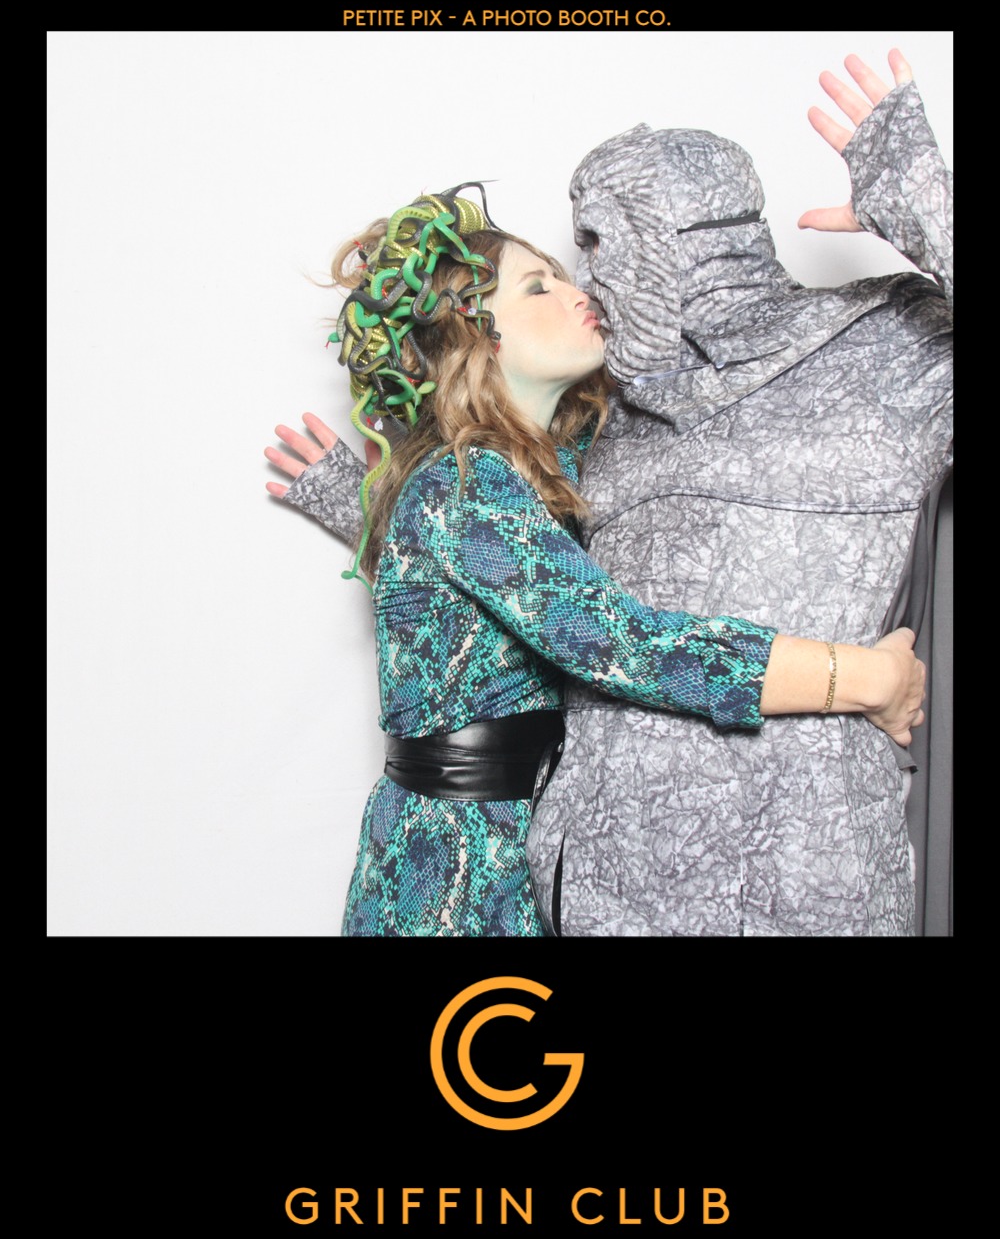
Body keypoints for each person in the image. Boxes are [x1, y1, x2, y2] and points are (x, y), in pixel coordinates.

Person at [265, 185, 926, 937]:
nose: (579, 292)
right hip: (449, 871)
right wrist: (863, 678)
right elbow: (625, 645)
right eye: (537, 286)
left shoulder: (552, 464)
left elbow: (466, 610)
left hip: (532, 844)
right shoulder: (465, 483)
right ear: (478, 337)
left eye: (565, 274)